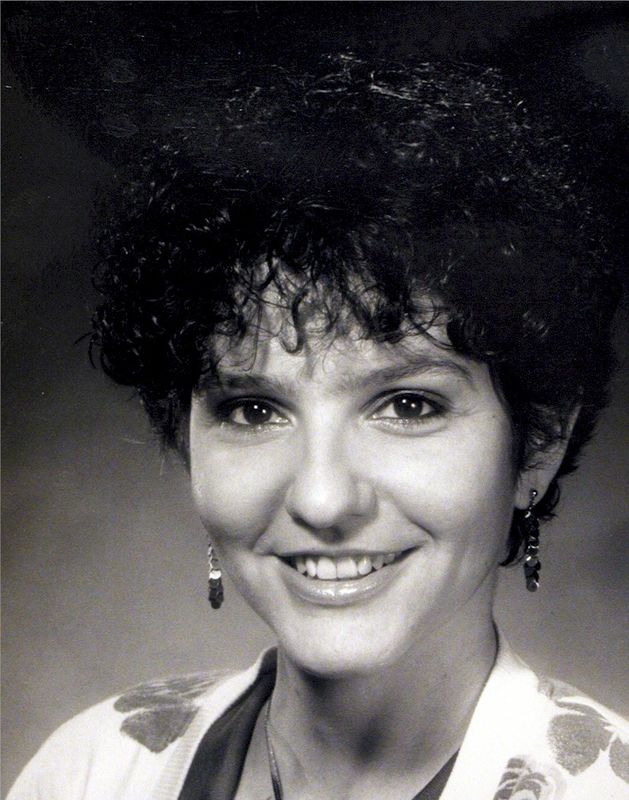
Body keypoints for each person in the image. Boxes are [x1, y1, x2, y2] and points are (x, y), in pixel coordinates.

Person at [8, 56, 628, 800]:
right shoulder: (91, 771)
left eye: (407, 405)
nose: (323, 499)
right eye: (253, 410)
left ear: (538, 444)